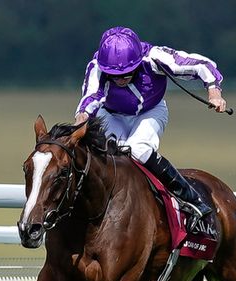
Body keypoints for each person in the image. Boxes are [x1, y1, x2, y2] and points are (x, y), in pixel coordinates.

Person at [74, 26, 227, 230]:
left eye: (127, 73)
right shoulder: (97, 66)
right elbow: (90, 98)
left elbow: (200, 65)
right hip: (110, 114)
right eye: (114, 75)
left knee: (137, 150)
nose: (120, 79)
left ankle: (193, 202)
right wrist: (80, 120)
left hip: (150, 111)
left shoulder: (154, 57)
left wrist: (214, 92)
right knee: (111, 157)